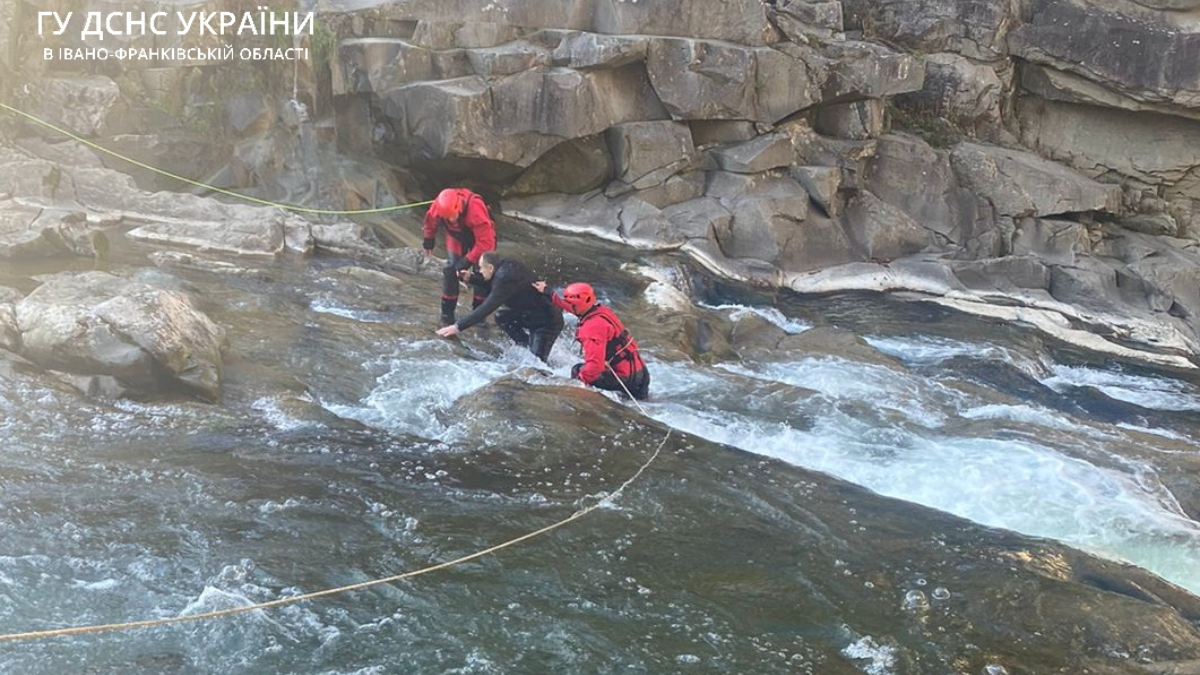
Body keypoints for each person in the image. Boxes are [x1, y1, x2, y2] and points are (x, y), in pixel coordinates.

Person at [435, 252, 564, 362]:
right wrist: (471, 278)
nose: (479, 271)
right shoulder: (503, 268)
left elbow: (488, 307)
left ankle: (551, 370)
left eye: (481, 268)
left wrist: (457, 327)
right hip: (527, 314)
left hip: (546, 322)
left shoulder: (506, 276)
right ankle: (525, 346)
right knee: (502, 317)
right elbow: (494, 284)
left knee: (536, 363)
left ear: (491, 268)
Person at [534, 281, 650, 400]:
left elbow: (595, 366)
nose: (569, 305)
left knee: (577, 369)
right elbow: (575, 308)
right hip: (642, 373)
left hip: (626, 378)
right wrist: (550, 293)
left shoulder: (592, 328)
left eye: (571, 303)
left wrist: (577, 384)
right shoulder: (601, 311)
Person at [423, 188, 497, 326]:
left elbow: (486, 243)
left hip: (481, 239)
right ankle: (447, 315)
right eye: (448, 218)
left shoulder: (475, 208)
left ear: (459, 207)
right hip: (456, 237)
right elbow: (430, 222)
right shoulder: (438, 206)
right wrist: (428, 240)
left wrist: (467, 260)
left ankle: (479, 315)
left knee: (482, 274)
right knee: (451, 270)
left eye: (453, 216)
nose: (452, 220)